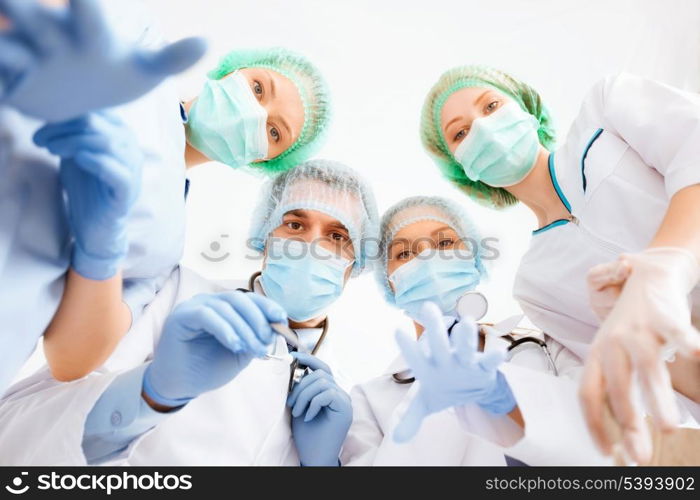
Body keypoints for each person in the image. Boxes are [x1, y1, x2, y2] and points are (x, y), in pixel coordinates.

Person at [0, 0, 331, 391]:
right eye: (258, 88)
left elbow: (71, 358)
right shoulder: (140, 49)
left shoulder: (165, 244)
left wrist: (102, 246)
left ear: (263, 162)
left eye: (275, 132)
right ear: (233, 70)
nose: (255, 115)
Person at [0, 160, 379, 466]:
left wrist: (323, 469)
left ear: (357, 259)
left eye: (337, 236)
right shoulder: (177, 296)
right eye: (295, 224)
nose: (312, 244)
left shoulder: (347, 397)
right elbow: (15, 437)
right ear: (264, 236)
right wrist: (150, 393)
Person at [418, 65, 700, 463]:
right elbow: (644, 386)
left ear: (526, 107)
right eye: (460, 133)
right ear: (464, 171)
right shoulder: (536, 285)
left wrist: (671, 262)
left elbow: (694, 148)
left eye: (491, 105)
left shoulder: (606, 113)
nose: (483, 129)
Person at [339, 196, 607, 465]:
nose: (428, 261)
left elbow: (608, 444)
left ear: (474, 258)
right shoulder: (369, 399)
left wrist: (507, 403)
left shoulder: (546, 346)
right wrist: (432, 408)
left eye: (445, 243)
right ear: (388, 283)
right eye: (404, 254)